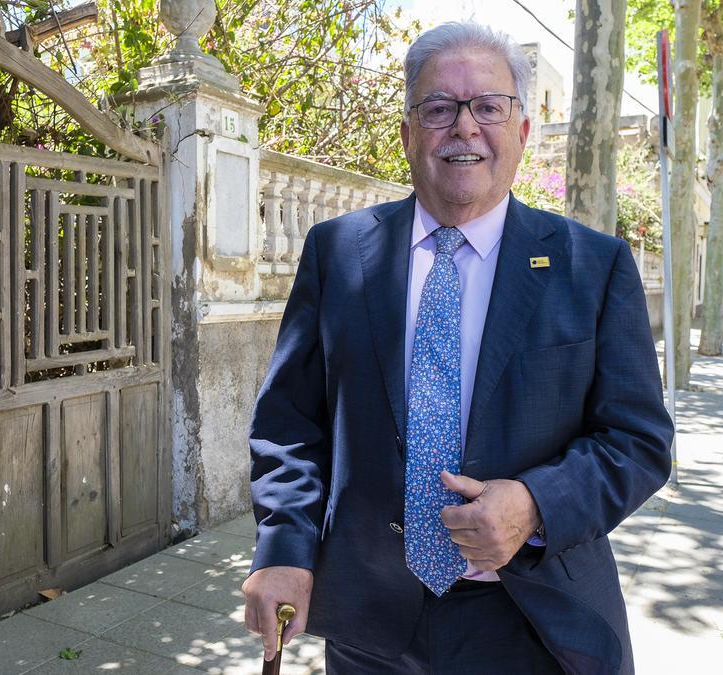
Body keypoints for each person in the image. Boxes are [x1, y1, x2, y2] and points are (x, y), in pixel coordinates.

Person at [243, 22, 673, 675]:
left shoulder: (594, 266)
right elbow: (290, 424)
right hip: (371, 628)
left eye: (488, 107)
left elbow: (639, 442)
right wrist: (282, 546)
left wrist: (534, 503)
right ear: (408, 134)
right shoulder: (337, 253)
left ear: (522, 132)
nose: (464, 127)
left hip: (535, 626)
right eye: (438, 108)